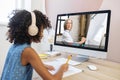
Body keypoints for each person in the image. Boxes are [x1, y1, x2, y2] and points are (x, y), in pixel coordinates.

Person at [1, 10, 68, 80]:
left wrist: (42, 66)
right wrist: (62, 69)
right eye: (42, 30)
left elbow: (17, 66)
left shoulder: (14, 47)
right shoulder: (28, 51)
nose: (42, 34)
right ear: (33, 30)